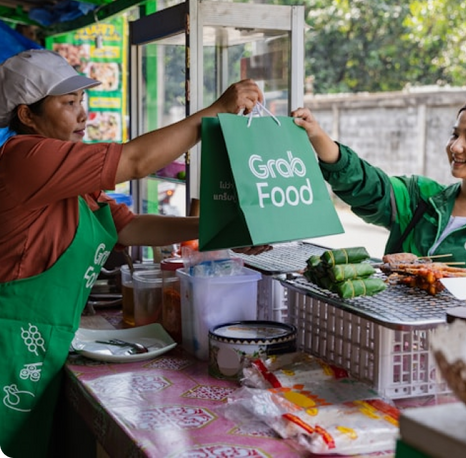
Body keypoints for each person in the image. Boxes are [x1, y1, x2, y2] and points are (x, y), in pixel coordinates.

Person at [0, 49, 267, 456]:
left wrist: (223, 230)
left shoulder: (69, 174)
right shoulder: (24, 158)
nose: (82, 115)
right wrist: (213, 113)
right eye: (68, 103)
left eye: (82, 102)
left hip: (41, 342)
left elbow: (131, 226)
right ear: (26, 115)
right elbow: (138, 160)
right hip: (10, 343)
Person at [292, 96, 466, 292]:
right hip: (392, 339)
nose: (455, 146)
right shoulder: (421, 195)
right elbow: (369, 187)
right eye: (455, 134)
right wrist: (317, 135)